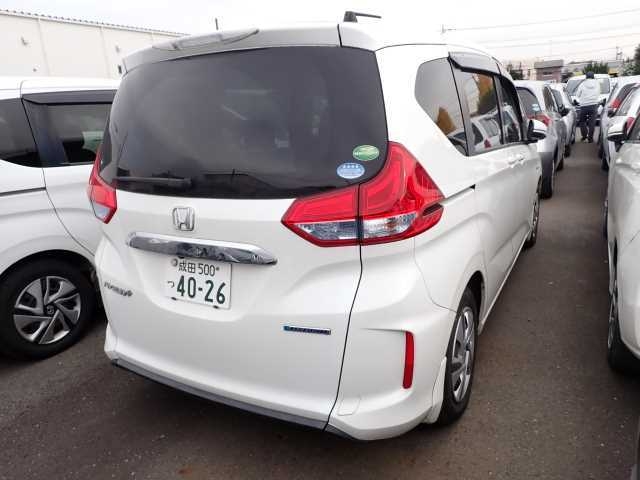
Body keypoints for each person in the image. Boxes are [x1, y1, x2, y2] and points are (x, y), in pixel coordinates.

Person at [575, 71, 600, 142]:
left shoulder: (582, 84)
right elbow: (598, 93)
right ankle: (590, 138)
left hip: (584, 106)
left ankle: (584, 136)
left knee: (582, 121)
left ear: (586, 77)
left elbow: (577, 95)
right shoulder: (597, 84)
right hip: (594, 105)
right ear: (593, 77)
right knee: (592, 123)